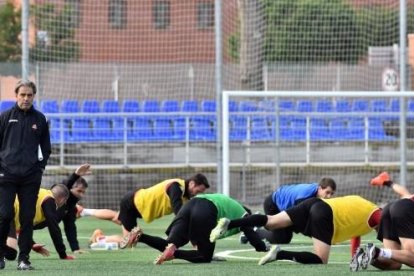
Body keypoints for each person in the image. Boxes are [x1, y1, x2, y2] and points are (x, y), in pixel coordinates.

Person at [92, 193, 268, 264]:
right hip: (206, 209)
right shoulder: (243, 214)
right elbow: (254, 239)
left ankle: (141, 236)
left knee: (169, 244)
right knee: (204, 257)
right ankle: (174, 255)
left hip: (190, 206)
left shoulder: (231, 206)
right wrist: (263, 247)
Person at [210, 195, 381, 265]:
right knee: (321, 259)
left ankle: (230, 223)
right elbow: (382, 220)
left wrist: (354, 257)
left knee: (270, 221)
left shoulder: (365, 206)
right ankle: (280, 253)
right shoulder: (377, 216)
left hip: (314, 203)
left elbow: (355, 233)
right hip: (324, 214)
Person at [0, 79, 51, 270]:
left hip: (30, 177)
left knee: (27, 218)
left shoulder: (40, 119)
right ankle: (0, 256)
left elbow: (46, 149)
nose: (26, 98)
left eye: (29, 95)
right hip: (6, 175)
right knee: (5, 215)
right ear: (16, 95)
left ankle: (24, 259)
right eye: (22, 95)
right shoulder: (4, 117)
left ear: (34, 96)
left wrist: (39, 169)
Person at [91, 173, 210, 249]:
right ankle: (99, 239)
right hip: (132, 204)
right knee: (128, 241)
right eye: (198, 191)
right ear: (192, 183)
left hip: (138, 205)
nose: (197, 194)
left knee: (117, 218)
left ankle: (85, 212)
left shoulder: (185, 195)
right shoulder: (176, 187)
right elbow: (179, 213)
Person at [240, 177, 336, 244]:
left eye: (331, 194)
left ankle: (260, 220)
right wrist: (322, 237)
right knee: (280, 238)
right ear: (319, 188)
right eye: (327, 192)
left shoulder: (316, 193)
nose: (329, 197)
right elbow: (301, 220)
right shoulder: (305, 196)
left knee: (286, 238)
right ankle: (251, 231)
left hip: (285, 207)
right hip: (273, 205)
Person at [351, 172, 414, 271]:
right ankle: (378, 252)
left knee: (394, 264)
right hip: (403, 209)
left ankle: (369, 255)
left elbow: (405, 194)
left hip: (389, 209)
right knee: (412, 255)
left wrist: (388, 182)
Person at [5, 184, 74, 266]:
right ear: (63, 199)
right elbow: (54, 229)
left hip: (7, 212)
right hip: (7, 212)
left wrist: (32, 244)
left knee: (10, 254)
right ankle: (21, 262)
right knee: (10, 254)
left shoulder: (41, 196)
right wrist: (63, 254)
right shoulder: (49, 200)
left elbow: (25, 229)